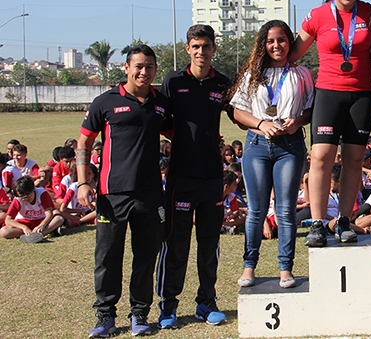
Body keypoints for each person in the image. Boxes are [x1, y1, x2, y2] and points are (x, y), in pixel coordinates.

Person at [76, 45, 170, 338]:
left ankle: (139, 314)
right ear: (126, 68)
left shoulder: (160, 103)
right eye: (139, 66)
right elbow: (84, 143)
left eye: (150, 67)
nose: (145, 72)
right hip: (111, 194)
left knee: (145, 256)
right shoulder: (105, 102)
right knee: (107, 257)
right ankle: (105, 317)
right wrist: (82, 182)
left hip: (150, 193)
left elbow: (178, 134)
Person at [289, 0, 371, 246]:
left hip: (361, 96)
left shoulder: (369, 13)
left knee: (352, 160)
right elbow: (292, 55)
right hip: (328, 93)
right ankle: (316, 222)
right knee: (322, 158)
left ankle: (344, 220)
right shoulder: (317, 16)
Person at [155, 24, 230, 329]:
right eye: (196, 46)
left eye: (206, 46)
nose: (201, 52)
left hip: (212, 176)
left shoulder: (223, 83)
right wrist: (184, 137)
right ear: (187, 49)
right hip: (180, 177)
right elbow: (160, 120)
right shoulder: (172, 82)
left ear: (214, 49)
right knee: (176, 244)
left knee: (209, 244)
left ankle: (206, 302)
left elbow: (237, 111)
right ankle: (168, 306)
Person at [231, 20, 314, 288]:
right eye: (270, 41)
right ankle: (249, 267)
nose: (276, 46)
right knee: (256, 210)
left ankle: (285, 269)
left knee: (286, 210)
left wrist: (298, 122)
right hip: (257, 145)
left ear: (290, 42)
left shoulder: (301, 73)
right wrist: (260, 123)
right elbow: (237, 111)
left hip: (289, 147)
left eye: (281, 40)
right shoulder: (252, 74)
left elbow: (312, 109)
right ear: (263, 45)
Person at [0, 175, 64, 242]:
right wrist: (24, 227)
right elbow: (8, 220)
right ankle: (31, 234)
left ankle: (39, 234)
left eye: (27, 196)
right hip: (25, 222)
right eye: (22, 197)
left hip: (41, 220)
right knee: (4, 231)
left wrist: (42, 225)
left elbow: (49, 212)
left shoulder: (42, 193)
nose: (24, 199)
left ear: (33, 189)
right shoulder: (17, 200)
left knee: (59, 219)